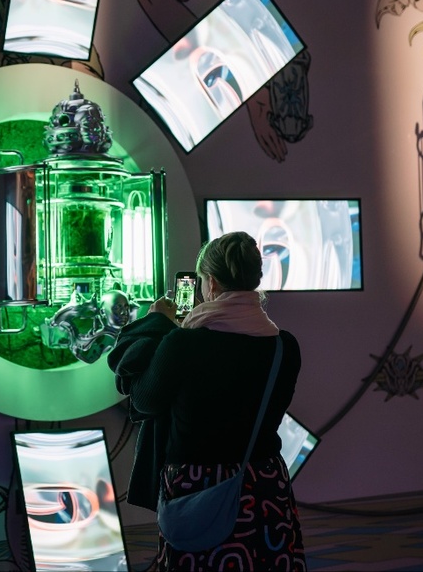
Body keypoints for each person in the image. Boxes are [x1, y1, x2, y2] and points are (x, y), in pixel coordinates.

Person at [108, 231, 305, 571]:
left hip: (197, 484)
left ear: (211, 283)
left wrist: (157, 323)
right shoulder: (284, 346)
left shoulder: (184, 344)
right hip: (264, 482)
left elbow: (142, 400)